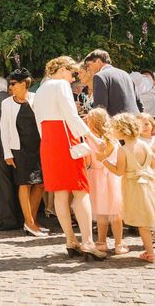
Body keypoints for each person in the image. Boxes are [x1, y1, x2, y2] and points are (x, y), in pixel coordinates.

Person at [33, 56, 106, 260]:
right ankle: (88, 242)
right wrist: (93, 138)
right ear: (63, 69)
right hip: (66, 138)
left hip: (48, 141)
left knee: (60, 193)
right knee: (80, 190)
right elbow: (71, 115)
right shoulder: (61, 85)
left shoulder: (39, 90)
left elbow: (39, 122)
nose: (72, 77)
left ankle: (70, 240)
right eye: (72, 73)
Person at [98, 113, 155, 262]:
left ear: (122, 131)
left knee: (143, 222)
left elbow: (119, 171)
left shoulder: (123, 150)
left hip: (134, 187)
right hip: (150, 183)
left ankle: (150, 253)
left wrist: (104, 160)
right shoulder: (144, 145)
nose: (113, 133)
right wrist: (144, 172)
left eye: (115, 130)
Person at [0, 69, 46, 237]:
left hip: (38, 147)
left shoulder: (36, 99)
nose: (10, 87)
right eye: (10, 84)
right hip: (19, 149)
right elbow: (3, 129)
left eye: (13, 84)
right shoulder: (7, 103)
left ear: (24, 84)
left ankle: (32, 221)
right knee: (24, 183)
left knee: (40, 184)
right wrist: (7, 153)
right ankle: (29, 223)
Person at [85, 109, 127, 254]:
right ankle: (118, 244)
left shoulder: (89, 140)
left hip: (97, 177)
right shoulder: (112, 138)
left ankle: (101, 242)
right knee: (115, 213)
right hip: (113, 176)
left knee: (101, 212)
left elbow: (89, 161)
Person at [0, 77, 22, 231]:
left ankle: (8, 219)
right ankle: (21, 217)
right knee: (17, 181)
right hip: (17, 144)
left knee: (4, 183)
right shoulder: (12, 97)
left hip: (2, 144)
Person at [84, 49, 143, 115]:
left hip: (117, 122)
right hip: (135, 120)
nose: (88, 69)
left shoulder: (99, 76)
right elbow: (139, 102)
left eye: (88, 65)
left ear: (98, 61)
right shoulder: (125, 74)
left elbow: (100, 110)